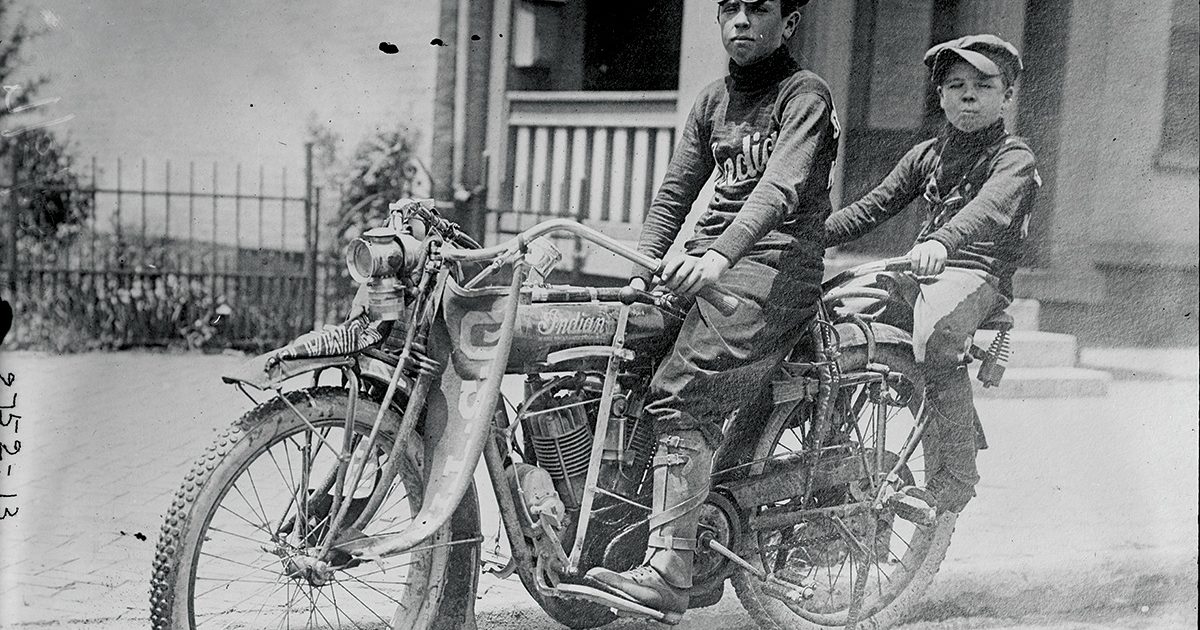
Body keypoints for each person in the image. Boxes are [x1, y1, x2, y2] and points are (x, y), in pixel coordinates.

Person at [585, 0, 840, 619]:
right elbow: (677, 190)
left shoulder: (804, 96)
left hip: (776, 267)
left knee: (682, 389)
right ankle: (605, 544)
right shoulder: (711, 101)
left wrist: (718, 258)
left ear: (790, 22)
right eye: (729, 8)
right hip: (711, 263)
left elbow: (780, 188)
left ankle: (671, 570)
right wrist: (644, 269)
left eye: (759, 8)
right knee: (615, 355)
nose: (741, 21)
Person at [823, 34, 1039, 516]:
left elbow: (987, 210)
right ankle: (833, 454)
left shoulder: (1014, 158)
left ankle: (958, 475)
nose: (967, 95)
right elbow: (875, 205)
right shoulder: (927, 154)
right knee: (837, 322)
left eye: (983, 86)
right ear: (939, 95)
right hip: (922, 267)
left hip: (975, 273)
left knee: (937, 336)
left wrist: (941, 241)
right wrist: (809, 237)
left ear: (1006, 95)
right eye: (955, 84)